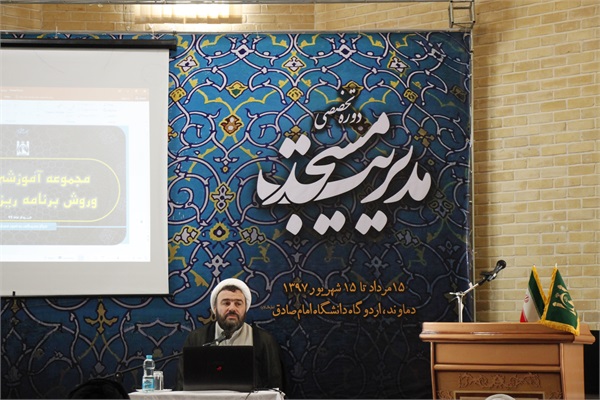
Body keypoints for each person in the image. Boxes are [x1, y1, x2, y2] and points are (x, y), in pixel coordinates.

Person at [175, 278, 284, 391]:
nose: (232, 308)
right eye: (226, 303)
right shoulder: (196, 339)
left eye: (238, 304)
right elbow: (182, 385)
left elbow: (275, 387)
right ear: (215, 308)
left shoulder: (264, 341)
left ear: (245, 308)